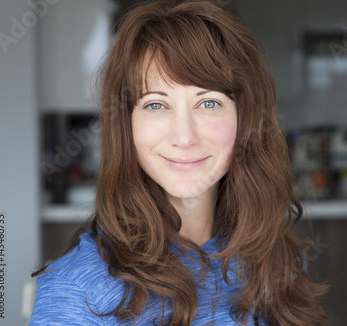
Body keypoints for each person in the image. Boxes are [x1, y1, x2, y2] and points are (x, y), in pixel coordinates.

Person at [29, 1, 329, 325]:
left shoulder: (276, 253)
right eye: (156, 105)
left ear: (246, 118)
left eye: (209, 102)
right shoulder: (76, 291)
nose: (184, 136)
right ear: (125, 124)